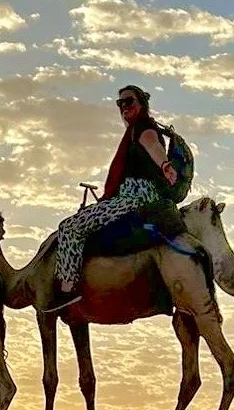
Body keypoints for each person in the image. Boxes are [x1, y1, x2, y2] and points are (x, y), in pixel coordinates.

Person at [50, 84, 179, 308]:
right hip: (136, 195)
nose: (123, 107)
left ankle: (68, 289)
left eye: (129, 101)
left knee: (69, 228)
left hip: (134, 197)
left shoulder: (143, 128)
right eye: (120, 103)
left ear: (142, 103)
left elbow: (152, 144)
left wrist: (165, 164)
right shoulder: (136, 130)